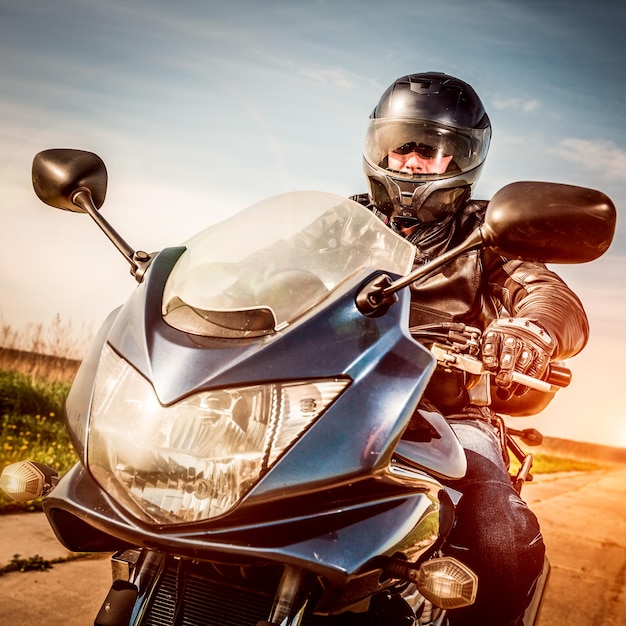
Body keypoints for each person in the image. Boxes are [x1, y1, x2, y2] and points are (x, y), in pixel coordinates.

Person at [351, 72, 589, 625]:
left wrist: (531, 330)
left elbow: (550, 295)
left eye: (431, 149)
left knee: (498, 533)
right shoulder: (340, 222)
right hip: (327, 394)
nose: (412, 161)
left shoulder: (485, 234)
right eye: (402, 145)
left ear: (462, 161)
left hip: (444, 410)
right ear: (379, 145)